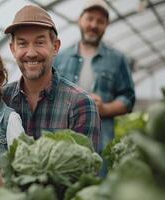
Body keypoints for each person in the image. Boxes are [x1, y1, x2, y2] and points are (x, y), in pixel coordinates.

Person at [2, 5, 101, 151]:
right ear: (13, 49)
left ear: (55, 47)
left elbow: (84, 169)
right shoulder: (1, 99)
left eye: (39, 42)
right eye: (22, 44)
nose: (31, 53)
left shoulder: (81, 105)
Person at [53, 0, 135, 153]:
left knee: (99, 176)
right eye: (90, 18)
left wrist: (105, 108)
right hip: (64, 143)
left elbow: (129, 98)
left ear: (106, 25)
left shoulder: (117, 59)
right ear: (80, 19)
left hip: (101, 143)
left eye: (100, 21)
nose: (94, 25)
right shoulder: (60, 58)